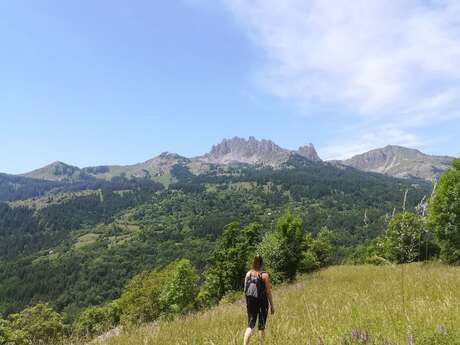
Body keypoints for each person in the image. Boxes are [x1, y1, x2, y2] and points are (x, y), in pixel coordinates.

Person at [243, 255, 275, 345]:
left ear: (253, 263)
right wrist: (272, 306)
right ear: (261, 263)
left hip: (250, 302)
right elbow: (268, 292)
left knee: (250, 325)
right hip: (262, 302)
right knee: (261, 326)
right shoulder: (264, 275)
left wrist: (248, 303)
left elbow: (245, 290)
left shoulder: (248, 274)